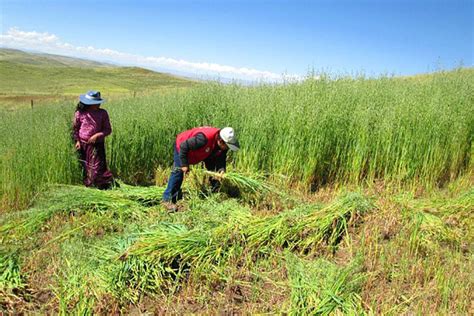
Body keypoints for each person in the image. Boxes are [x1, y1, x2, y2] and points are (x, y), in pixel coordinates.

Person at [162, 126, 240, 211]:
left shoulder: (222, 143)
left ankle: (215, 192)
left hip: (205, 150)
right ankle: (167, 200)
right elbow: (184, 146)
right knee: (178, 172)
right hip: (181, 147)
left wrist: (222, 170)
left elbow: (221, 158)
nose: (227, 149)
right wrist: (184, 164)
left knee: (214, 171)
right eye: (227, 146)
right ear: (221, 142)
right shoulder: (203, 139)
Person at [72, 90, 114, 189]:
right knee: (86, 166)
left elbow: (108, 130)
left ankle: (99, 186)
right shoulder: (80, 113)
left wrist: (97, 136)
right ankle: (89, 185)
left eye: (98, 102)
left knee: (97, 168)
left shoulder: (102, 113)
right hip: (83, 145)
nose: (98, 104)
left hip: (97, 145)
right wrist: (77, 141)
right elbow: (75, 128)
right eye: (95, 103)